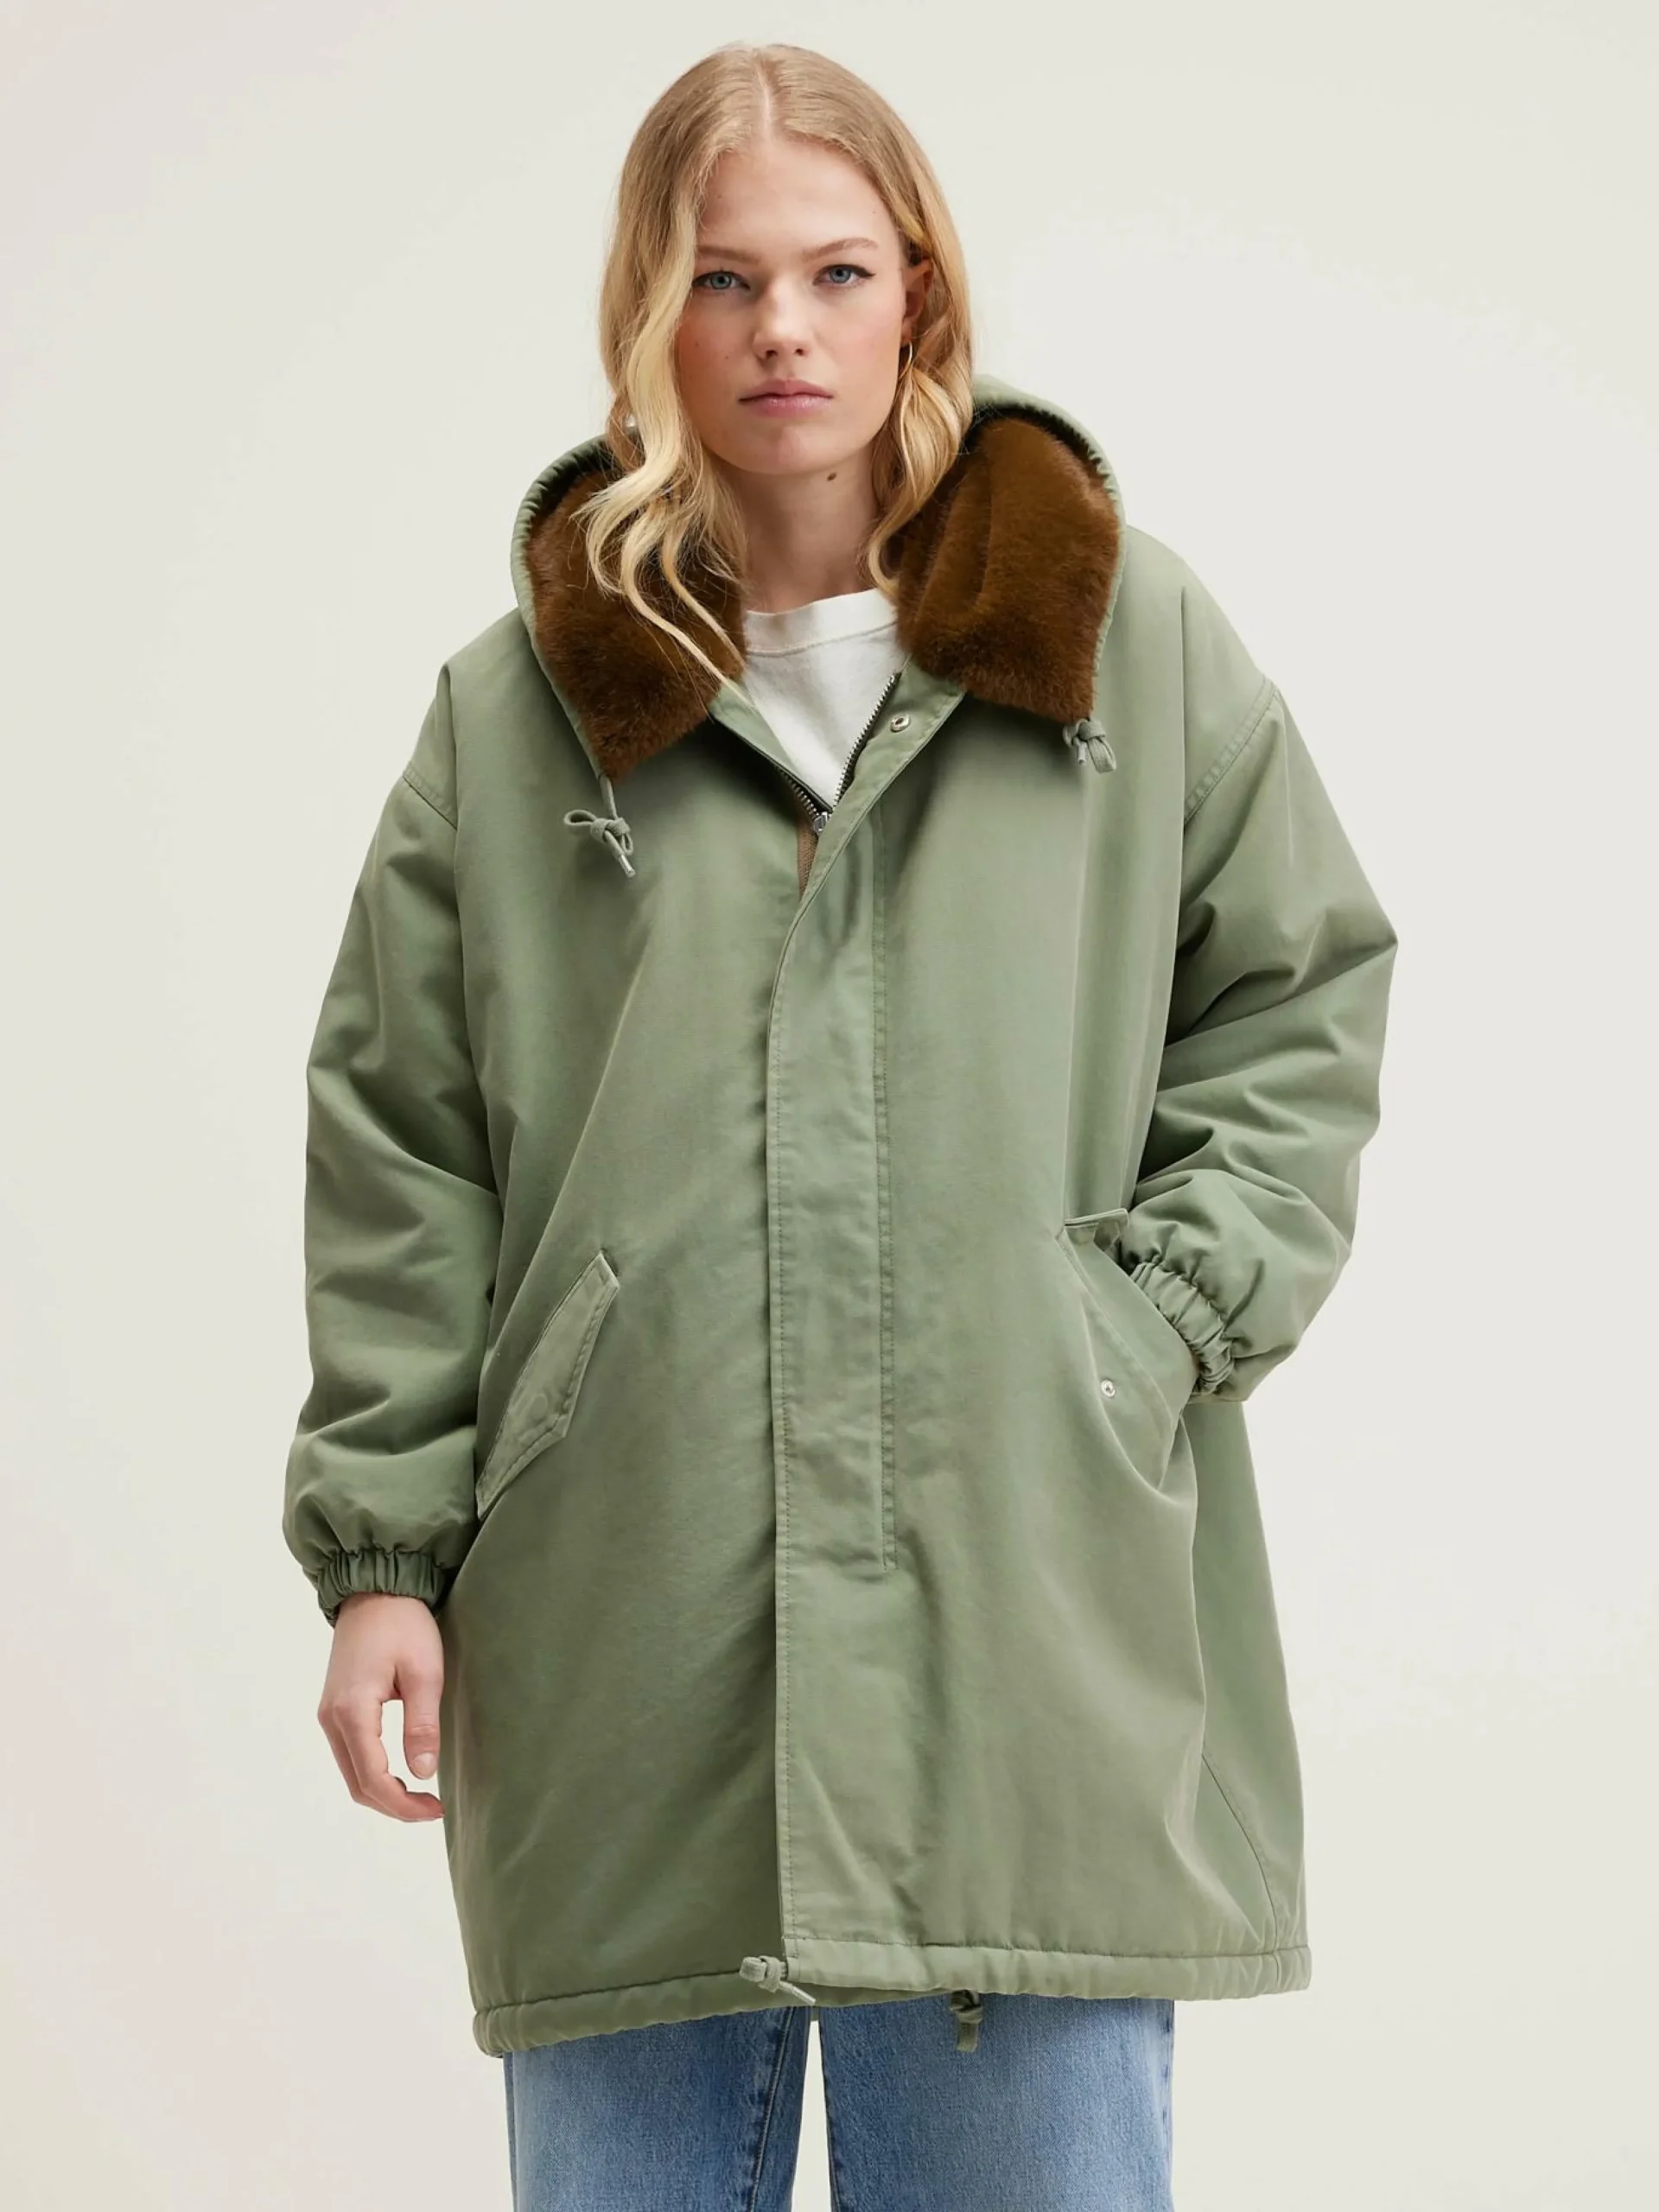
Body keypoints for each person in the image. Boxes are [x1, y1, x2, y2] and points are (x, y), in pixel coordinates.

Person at [281, 40, 1397, 2212]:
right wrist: (384, 1556)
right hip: (629, 1614)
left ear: (919, 296)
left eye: (834, 271)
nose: (780, 328)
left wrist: (1144, 1322)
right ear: (650, 313)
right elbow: (405, 1135)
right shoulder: (521, 709)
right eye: (721, 279)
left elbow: (1299, 988)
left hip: (1022, 1618)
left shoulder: (1122, 640)